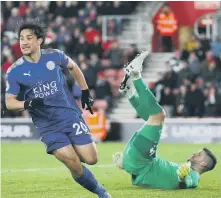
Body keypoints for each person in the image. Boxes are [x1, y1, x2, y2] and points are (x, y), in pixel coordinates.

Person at [5, 19, 111, 198]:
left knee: (92, 159)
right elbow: (9, 102)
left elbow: (74, 67)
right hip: (48, 126)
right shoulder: (15, 71)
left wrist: (85, 92)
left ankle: (78, 158)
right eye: (21, 38)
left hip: (70, 116)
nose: (23, 42)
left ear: (39, 40)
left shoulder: (55, 56)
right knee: (73, 163)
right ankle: (102, 193)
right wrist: (28, 104)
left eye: (28, 38)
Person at [113, 51, 217, 189]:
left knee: (159, 115)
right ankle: (130, 93)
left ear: (203, 164)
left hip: (141, 160)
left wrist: (181, 178)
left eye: (198, 155)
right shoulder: (184, 168)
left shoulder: (193, 176)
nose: (194, 154)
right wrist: (128, 163)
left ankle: (136, 74)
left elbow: (188, 183)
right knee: (150, 118)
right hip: (140, 162)